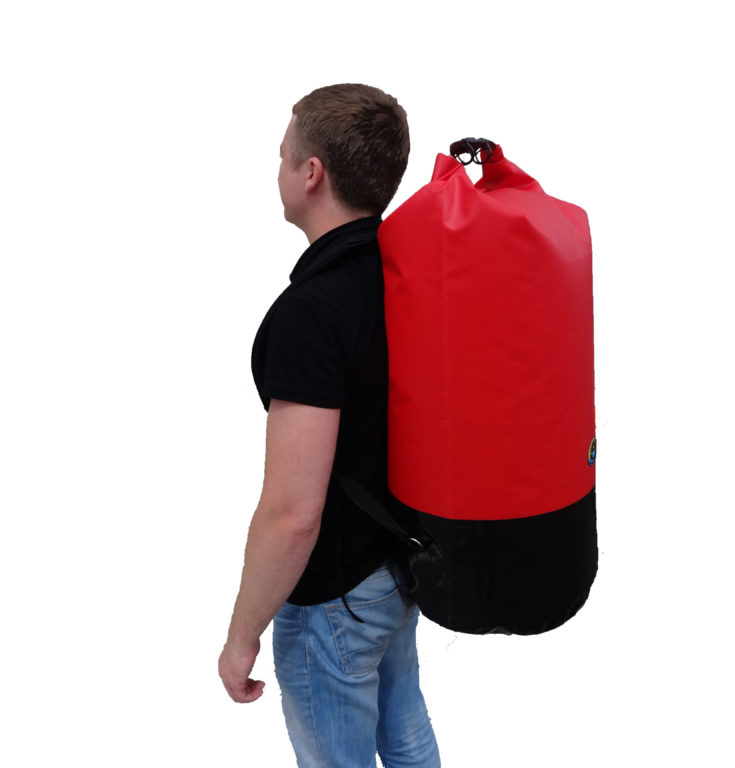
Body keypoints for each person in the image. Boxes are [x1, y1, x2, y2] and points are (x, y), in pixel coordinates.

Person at [218, 84, 441, 767]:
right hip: (396, 569)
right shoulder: (409, 278)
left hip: (334, 602)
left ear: (311, 173)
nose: (279, 169)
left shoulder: (311, 313)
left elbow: (293, 514)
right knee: (406, 737)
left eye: (284, 155)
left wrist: (242, 635)